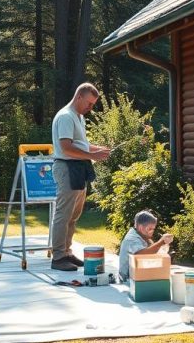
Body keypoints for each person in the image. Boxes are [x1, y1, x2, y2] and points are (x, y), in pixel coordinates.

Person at [50, 83, 111, 271]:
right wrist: (93, 156)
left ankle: (67, 252)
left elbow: (81, 144)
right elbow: (66, 147)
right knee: (63, 214)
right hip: (67, 167)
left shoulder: (79, 117)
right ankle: (58, 257)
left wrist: (98, 149)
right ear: (78, 97)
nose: (90, 108)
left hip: (78, 168)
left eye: (93, 104)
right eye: (89, 103)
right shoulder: (66, 117)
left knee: (73, 216)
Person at [118, 210, 174, 281]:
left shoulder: (142, 236)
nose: (152, 231)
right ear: (141, 227)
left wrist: (163, 245)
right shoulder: (131, 239)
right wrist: (161, 242)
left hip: (137, 276)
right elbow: (142, 254)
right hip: (127, 280)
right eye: (150, 229)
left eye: (153, 229)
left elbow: (153, 253)